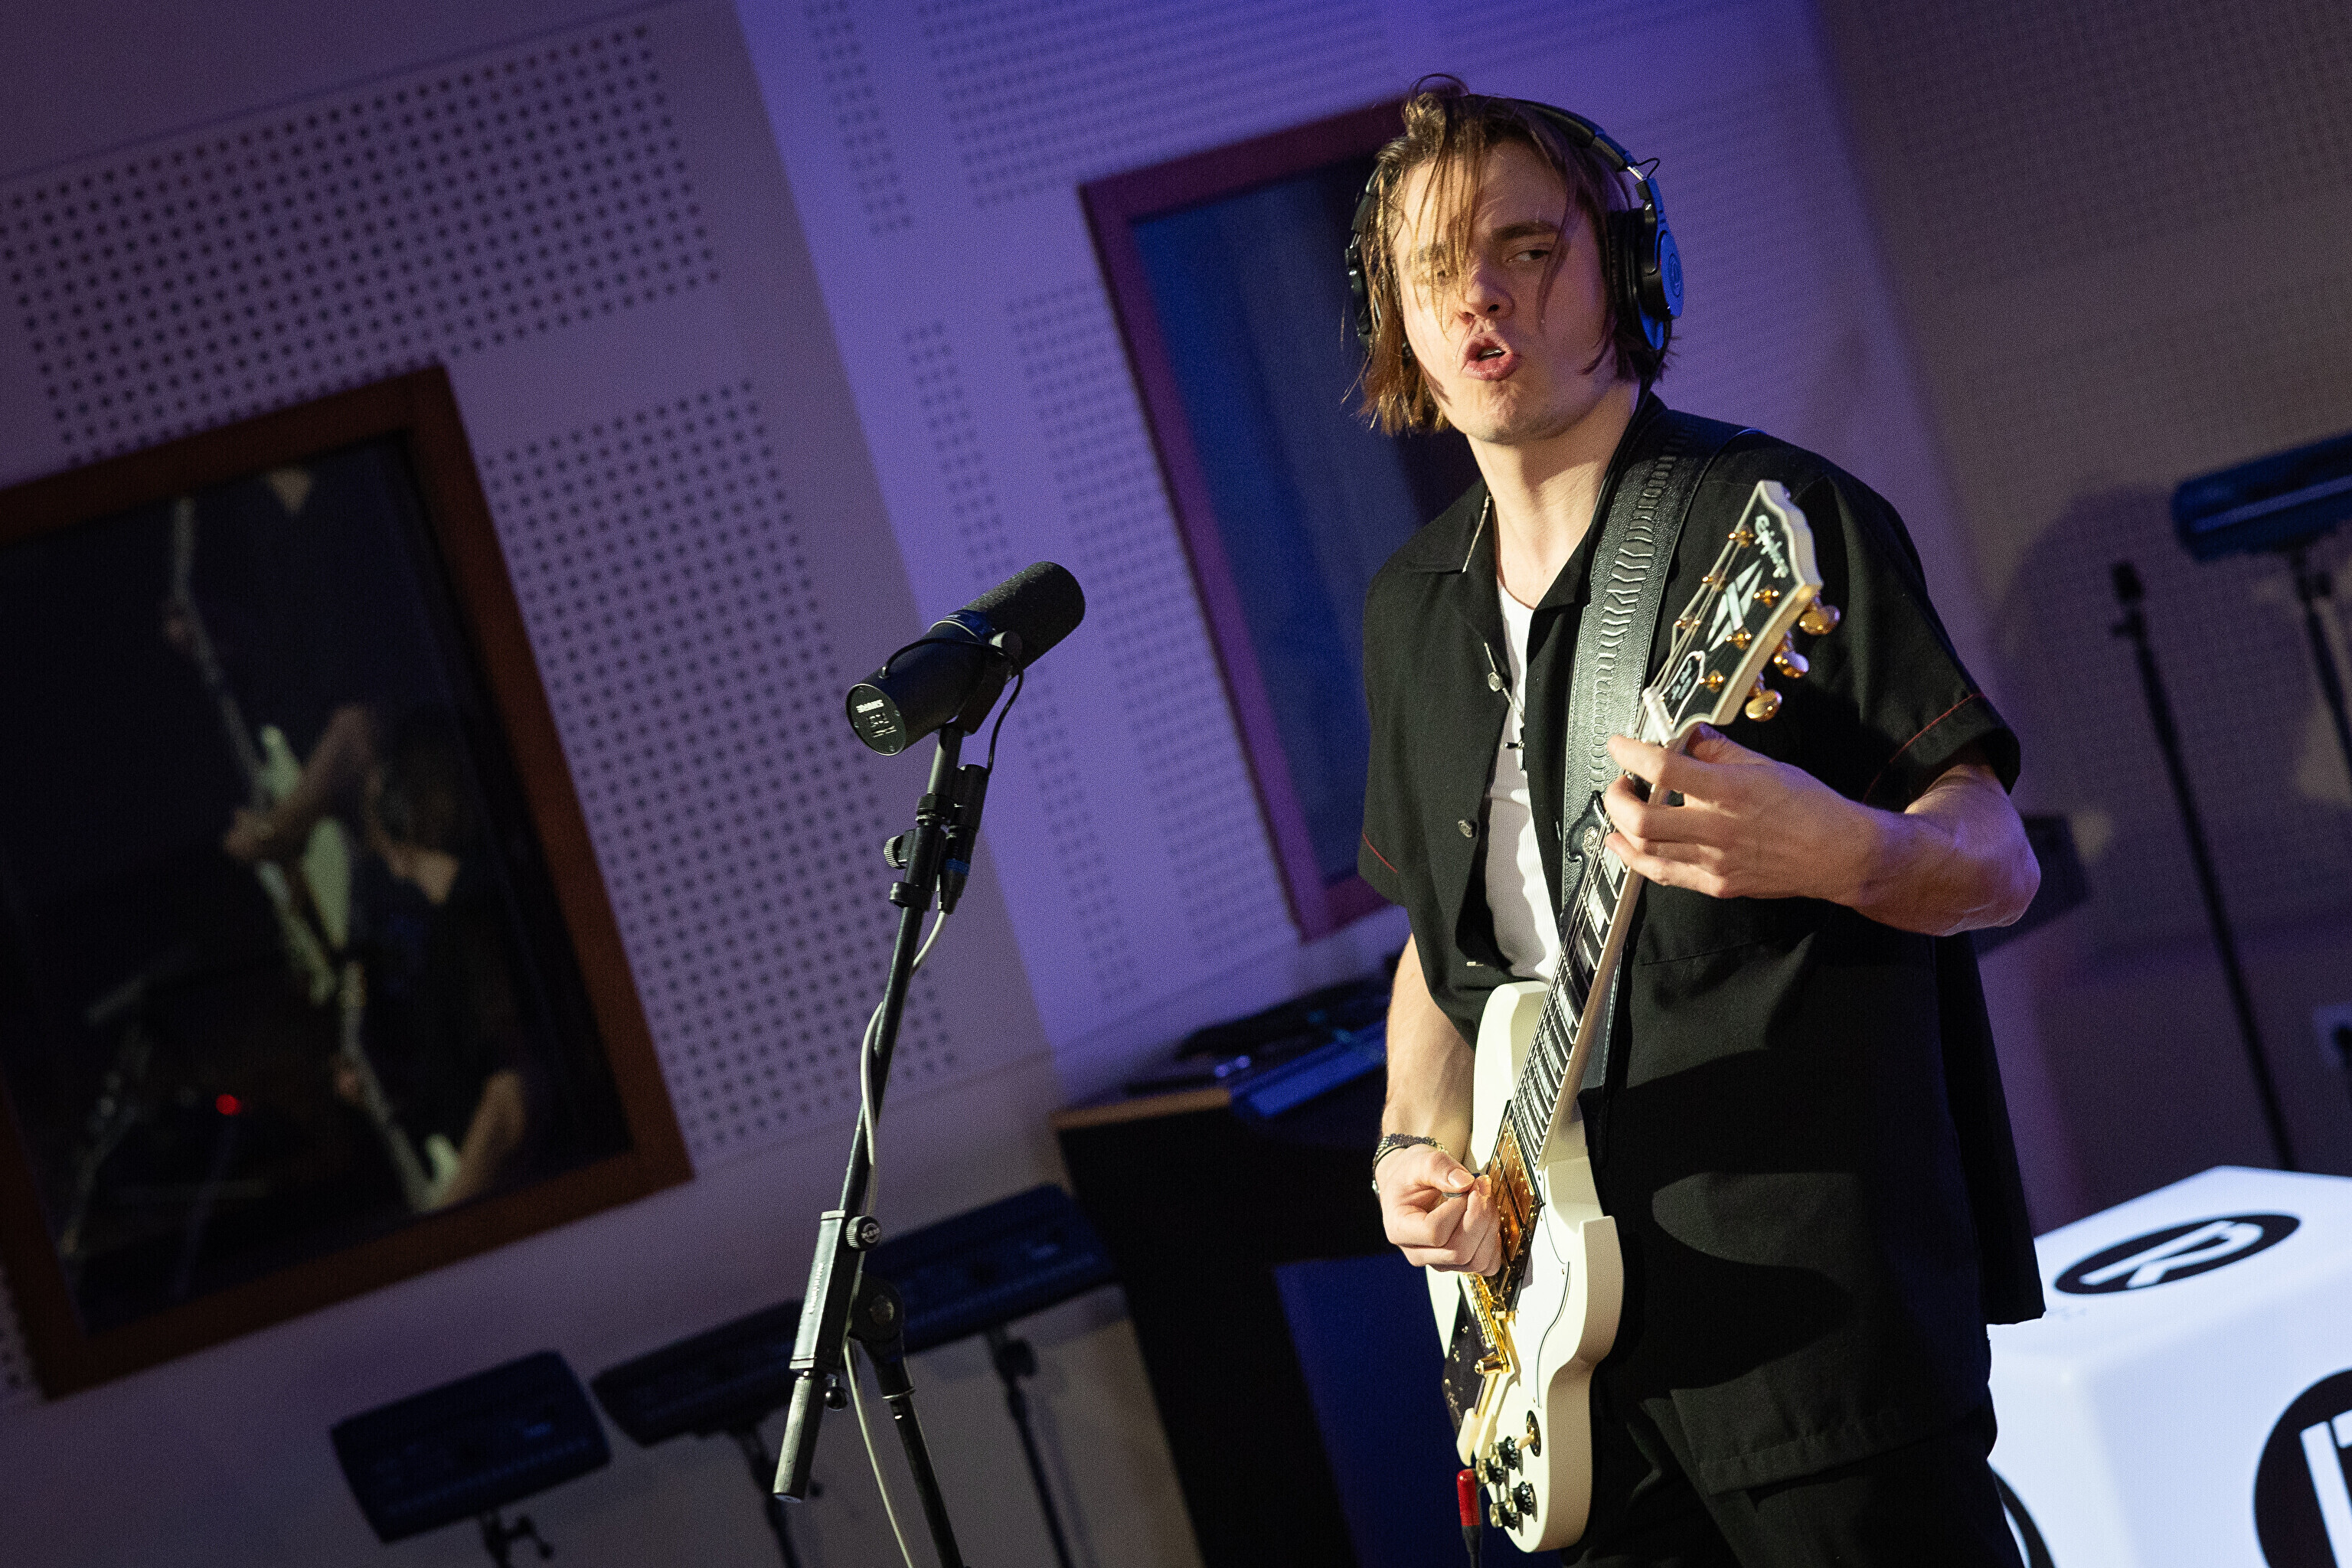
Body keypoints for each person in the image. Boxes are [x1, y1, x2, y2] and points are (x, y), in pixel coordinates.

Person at [1354, 81, 2045, 1564]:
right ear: (1396, 320)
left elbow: (1998, 860)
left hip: (1814, 1342)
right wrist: (1414, 1142)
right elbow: (1442, 951)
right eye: (1433, 268)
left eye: (1526, 248)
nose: (1479, 297)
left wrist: (1845, 850)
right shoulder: (1409, 607)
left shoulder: (1778, 518)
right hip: (1561, 1374)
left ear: (1624, 265)